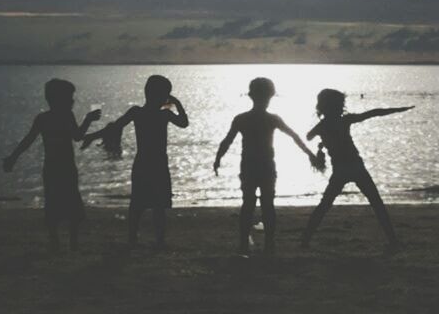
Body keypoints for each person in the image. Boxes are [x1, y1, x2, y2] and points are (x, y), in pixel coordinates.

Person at [81, 75, 188, 250]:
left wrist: (92, 136)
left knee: (138, 204)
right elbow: (184, 123)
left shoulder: (137, 112)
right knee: (157, 205)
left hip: (143, 162)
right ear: (163, 96)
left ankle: (134, 239)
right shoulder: (164, 114)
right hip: (158, 163)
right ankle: (158, 240)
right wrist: (177, 103)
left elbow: (115, 126)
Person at [301, 88, 414, 253]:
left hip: (340, 170)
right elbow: (373, 113)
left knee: (325, 205)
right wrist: (398, 109)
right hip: (355, 167)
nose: (342, 107)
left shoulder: (322, 126)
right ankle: (393, 240)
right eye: (340, 104)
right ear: (335, 106)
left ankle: (305, 240)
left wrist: (322, 142)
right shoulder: (345, 120)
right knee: (376, 204)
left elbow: (308, 136)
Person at [213, 78, 316, 256]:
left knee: (249, 203)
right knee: (267, 204)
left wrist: (218, 158)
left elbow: (227, 141)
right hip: (266, 166)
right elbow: (294, 136)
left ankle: (246, 242)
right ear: (270, 96)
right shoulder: (271, 119)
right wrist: (310, 154)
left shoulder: (242, 119)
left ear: (251, 95)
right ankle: (268, 243)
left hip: (250, 166)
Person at [3, 79, 101, 253]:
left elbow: (28, 140)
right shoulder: (65, 116)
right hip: (66, 168)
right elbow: (77, 136)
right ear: (59, 99)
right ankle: (72, 243)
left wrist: (13, 157)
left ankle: (55, 240)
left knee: (53, 202)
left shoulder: (43, 118)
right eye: (70, 98)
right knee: (71, 204)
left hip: (52, 168)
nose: (72, 101)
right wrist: (88, 119)